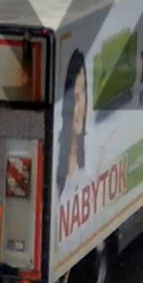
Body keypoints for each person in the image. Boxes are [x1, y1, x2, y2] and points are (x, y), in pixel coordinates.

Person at [57, 49, 88, 197]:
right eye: (74, 99)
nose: (78, 111)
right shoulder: (58, 186)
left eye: (82, 96)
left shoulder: (89, 166)